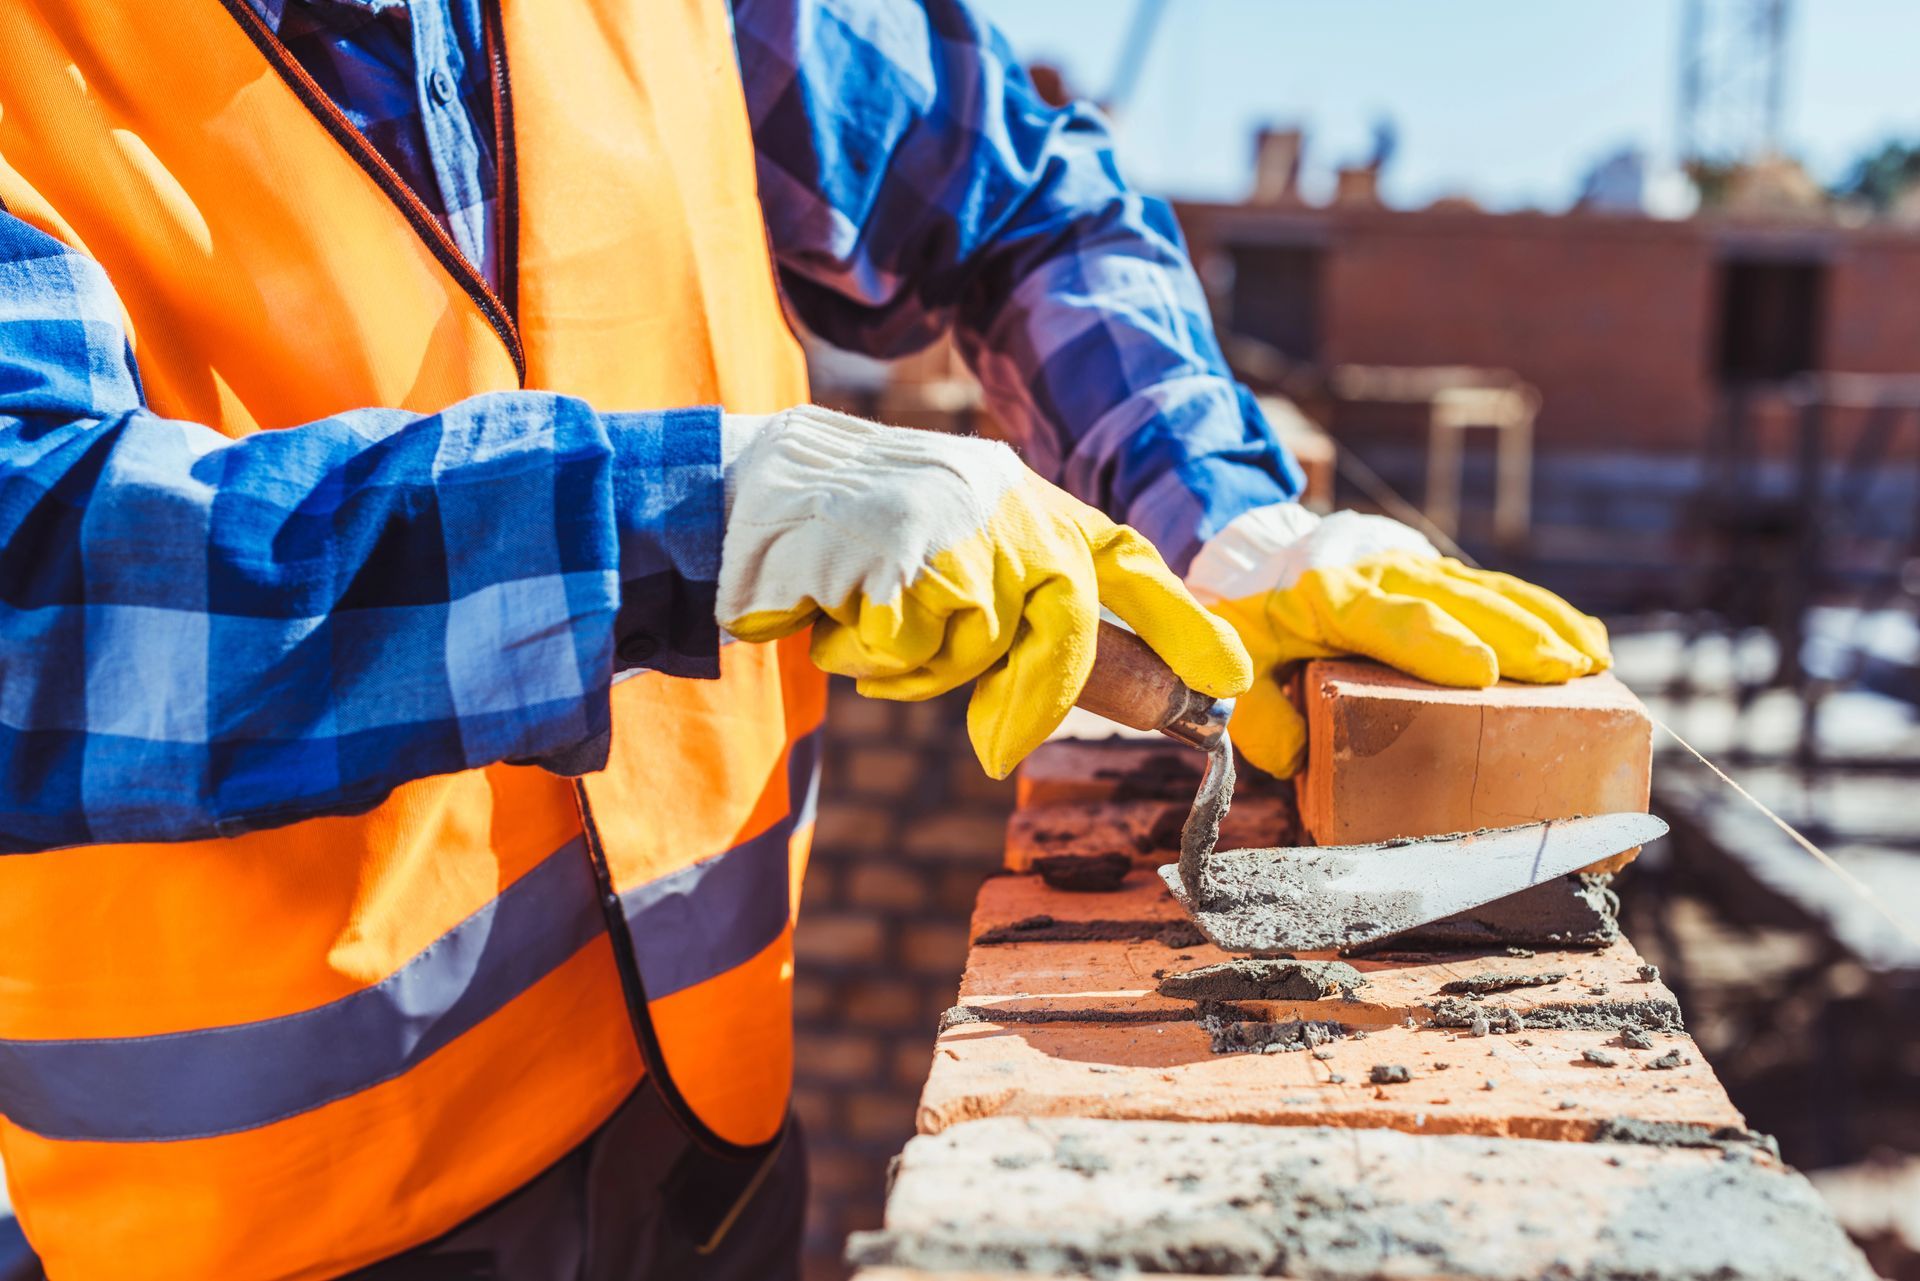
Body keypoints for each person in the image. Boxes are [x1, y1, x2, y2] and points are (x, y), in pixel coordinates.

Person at [0, 0, 1610, 1276]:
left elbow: (1019, 196)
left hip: (706, 1143)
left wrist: (1226, 520)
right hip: (245, 1228)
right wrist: (708, 512)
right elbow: (43, 579)